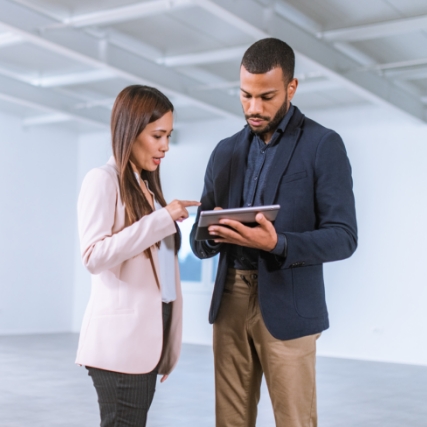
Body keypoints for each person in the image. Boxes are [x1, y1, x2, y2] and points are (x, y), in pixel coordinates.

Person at [190, 38, 357, 427]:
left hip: (288, 304)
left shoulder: (322, 145)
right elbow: (199, 242)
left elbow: (344, 236)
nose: (253, 108)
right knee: (230, 421)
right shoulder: (224, 151)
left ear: (291, 88)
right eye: (245, 95)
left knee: (295, 421)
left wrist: (277, 243)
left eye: (266, 97)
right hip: (230, 299)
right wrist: (215, 234)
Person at [76, 85, 200, 427]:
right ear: (130, 131)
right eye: (158, 135)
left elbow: (159, 273)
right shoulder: (102, 180)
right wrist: (161, 219)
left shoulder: (145, 189)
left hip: (145, 344)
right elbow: (94, 255)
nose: (165, 146)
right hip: (119, 347)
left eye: (169, 136)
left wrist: (168, 342)